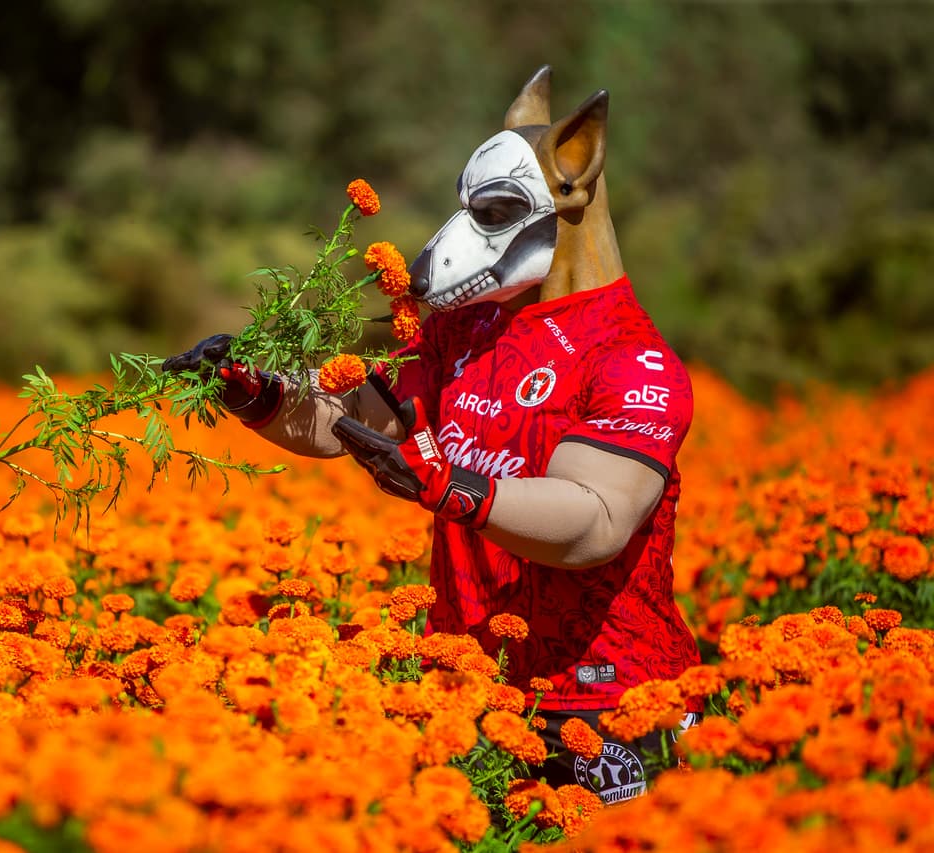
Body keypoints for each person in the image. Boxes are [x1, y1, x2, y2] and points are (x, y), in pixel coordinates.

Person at [164, 66, 701, 803]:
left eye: (497, 211)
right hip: (474, 691)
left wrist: (454, 488)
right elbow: (355, 425)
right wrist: (250, 391)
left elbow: (595, 520)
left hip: (613, 706)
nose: (441, 252)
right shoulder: (464, 330)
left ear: (575, 181)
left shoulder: (629, 358)